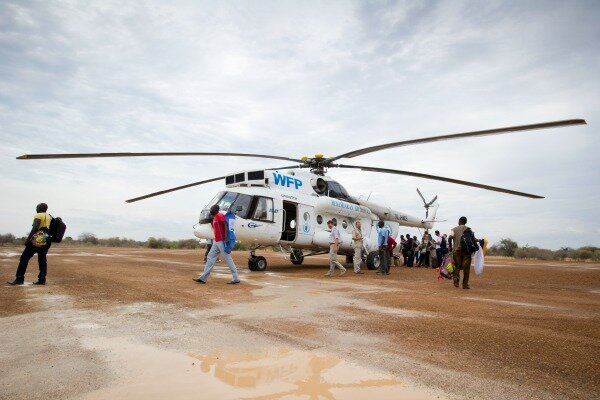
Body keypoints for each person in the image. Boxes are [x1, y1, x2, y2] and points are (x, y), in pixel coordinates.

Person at [193, 205, 241, 284]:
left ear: (216, 210)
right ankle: (203, 278)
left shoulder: (220, 215)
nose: (211, 209)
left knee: (227, 259)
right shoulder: (215, 217)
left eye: (212, 209)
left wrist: (226, 238)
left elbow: (225, 224)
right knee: (210, 257)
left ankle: (236, 278)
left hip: (222, 240)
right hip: (216, 241)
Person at [8, 203, 53, 285]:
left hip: (38, 238)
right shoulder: (49, 216)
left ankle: (19, 278)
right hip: (46, 238)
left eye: (37, 207)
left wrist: (28, 239)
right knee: (42, 259)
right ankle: (42, 279)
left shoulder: (38, 215)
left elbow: (35, 227)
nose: (36, 208)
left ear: (40, 208)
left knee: (24, 258)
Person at [448, 216, 477, 289]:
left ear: (459, 221)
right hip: (466, 251)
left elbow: (449, 237)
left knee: (457, 266)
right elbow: (473, 239)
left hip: (456, 251)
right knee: (466, 268)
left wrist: (450, 246)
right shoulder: (468, 229)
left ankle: (456, 279)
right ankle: (465, 284)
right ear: (465, 222)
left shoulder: (454, 229)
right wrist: (479, 241)